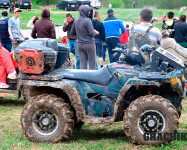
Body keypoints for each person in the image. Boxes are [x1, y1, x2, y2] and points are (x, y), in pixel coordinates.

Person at [71, 5, 99, 70]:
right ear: (85, 11)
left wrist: (78, 36)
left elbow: (72, 33)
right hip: (89, 44)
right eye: (88, 11)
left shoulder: (76, 21)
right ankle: (92, 79)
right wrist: (95, 32)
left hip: (80, 45)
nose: (89, 12)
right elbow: (91, 33)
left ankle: (83, 79)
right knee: (92, 64)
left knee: (83, 65)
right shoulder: (88, 20)